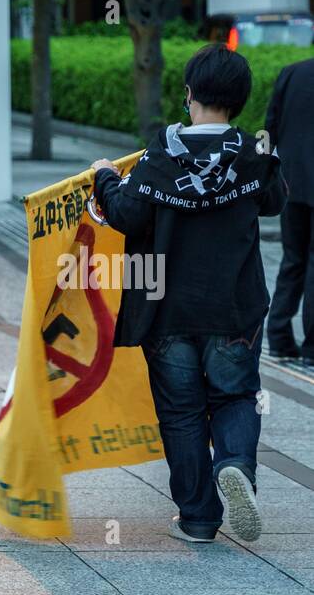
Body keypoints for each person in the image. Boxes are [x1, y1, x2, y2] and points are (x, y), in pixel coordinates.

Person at [91, 44, 285, 544]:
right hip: (234, 308)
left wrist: (105, 177)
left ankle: (198, 518)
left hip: (167, 307)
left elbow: (127, 215)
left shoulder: (161, 156)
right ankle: (237, 464)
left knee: (180, 412)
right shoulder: (253, 153)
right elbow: (274, 202)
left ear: (189, 94)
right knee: (235, 395)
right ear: (240, 99)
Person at [264, 54, 314, 365]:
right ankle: (312, 347)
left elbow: (270, 127)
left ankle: (279, 336)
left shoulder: (291, 72)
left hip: (290, 183)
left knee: (293, 258)